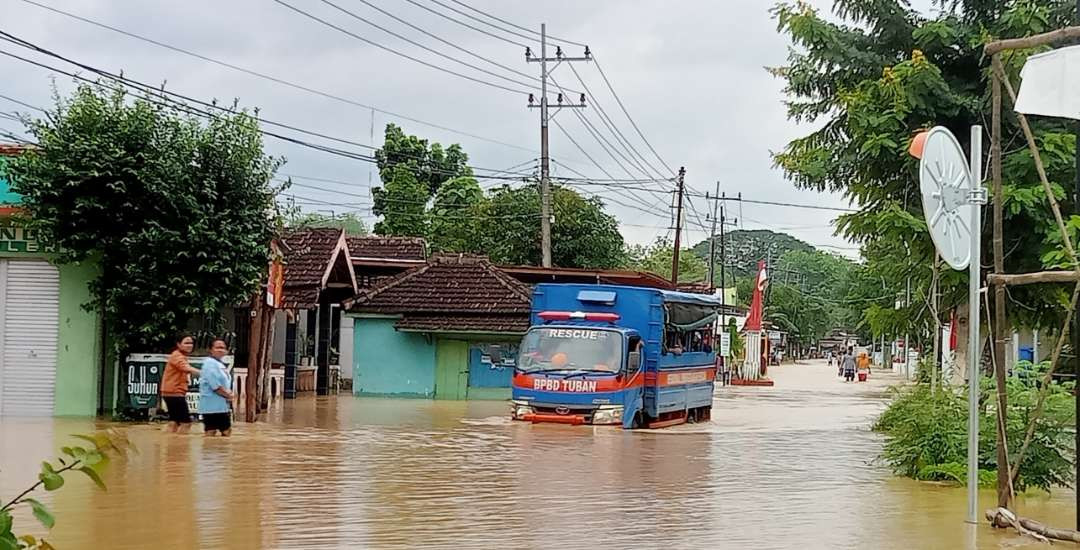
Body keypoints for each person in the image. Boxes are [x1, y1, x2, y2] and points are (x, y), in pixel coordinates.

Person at [161, 333, 201, 434]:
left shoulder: (179, 355)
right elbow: (185, 367)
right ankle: (181, 447)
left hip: (170, 392)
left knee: (174, 422)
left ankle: (170, 444)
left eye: (191, 343)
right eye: (186, 343)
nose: (190, 345)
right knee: (186, 423)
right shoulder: (177, 356)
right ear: (179, 344)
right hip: (175, 393)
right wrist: (203, 372)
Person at [199, 338, 235, 436]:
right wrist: (228, 395)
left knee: (216, 432)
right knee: (222, 432)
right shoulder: (210, 364)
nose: (220, 350)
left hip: (220, 406)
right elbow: (215, 386)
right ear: (211, 350)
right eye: (217, 347)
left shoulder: (219, 364)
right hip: (212, 406)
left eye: (223, 348)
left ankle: (216, 450)